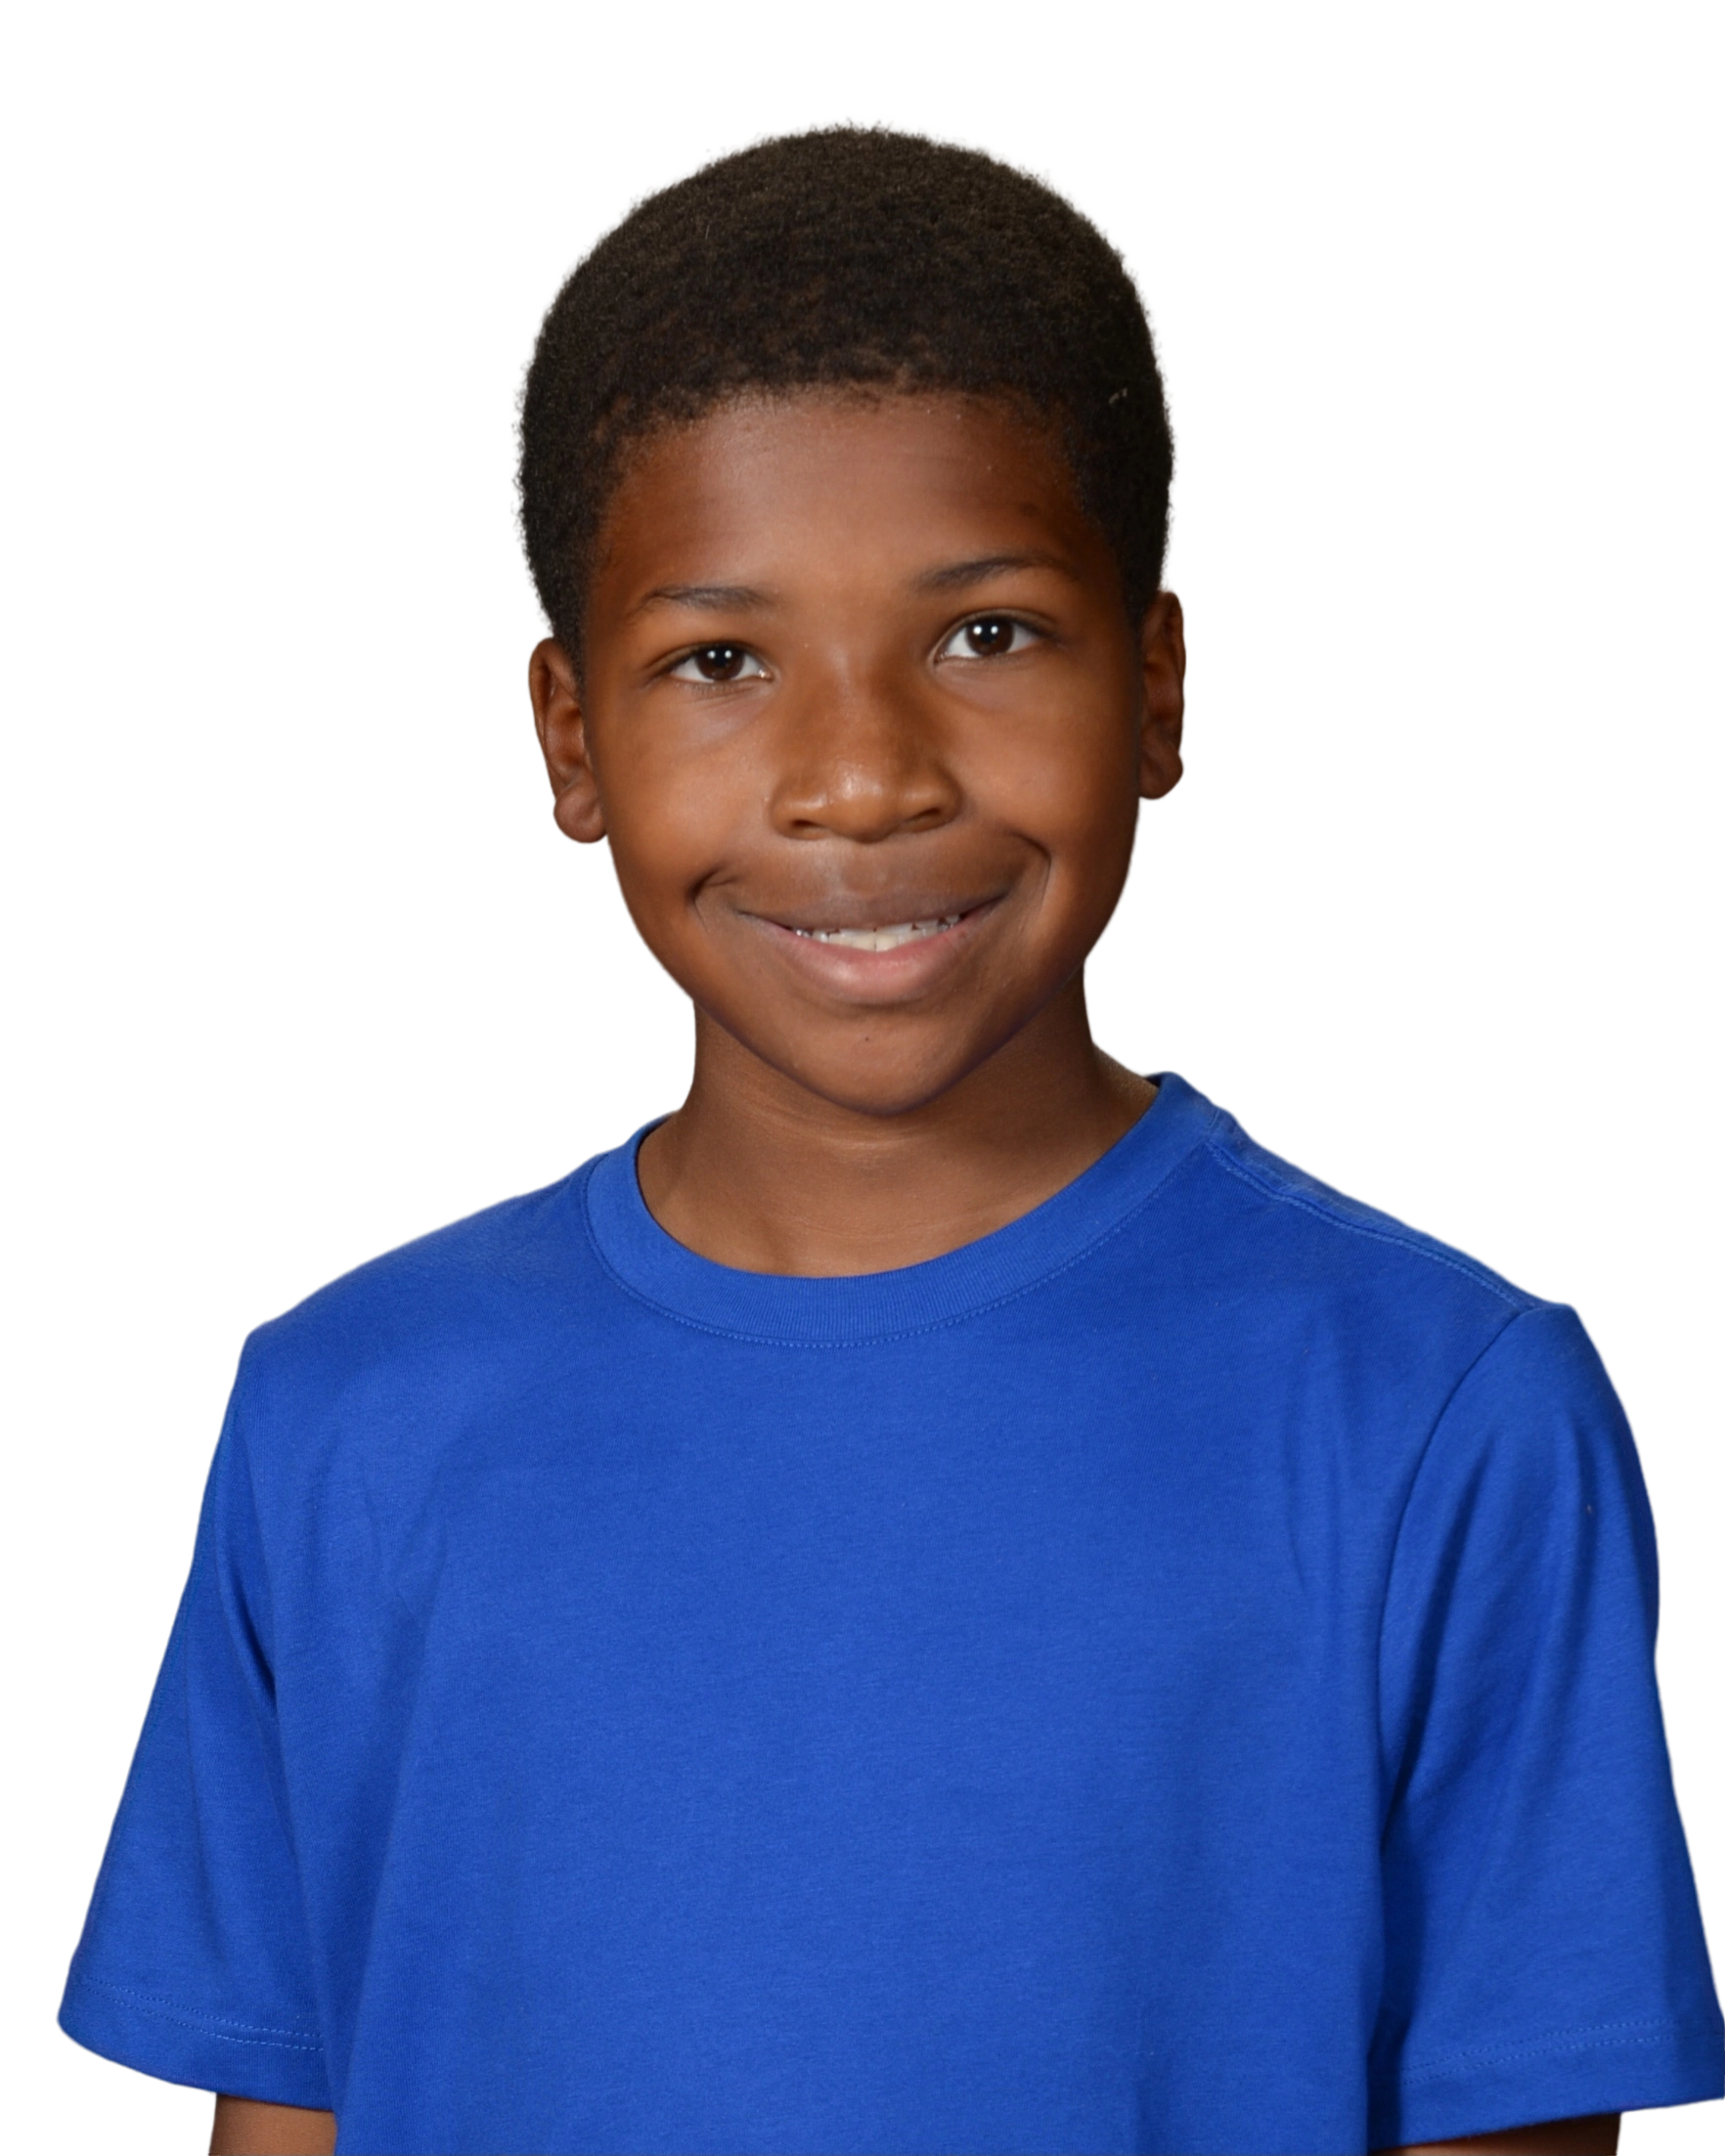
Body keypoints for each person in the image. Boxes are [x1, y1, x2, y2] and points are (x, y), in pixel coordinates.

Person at [54, 113, 1722, 2156]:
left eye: (984, 634)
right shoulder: (347, 1415)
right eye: (722, 661)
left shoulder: (1443, 1413)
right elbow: (293, 2113)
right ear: (569, 737)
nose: (860, 778)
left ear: (1163, 688)